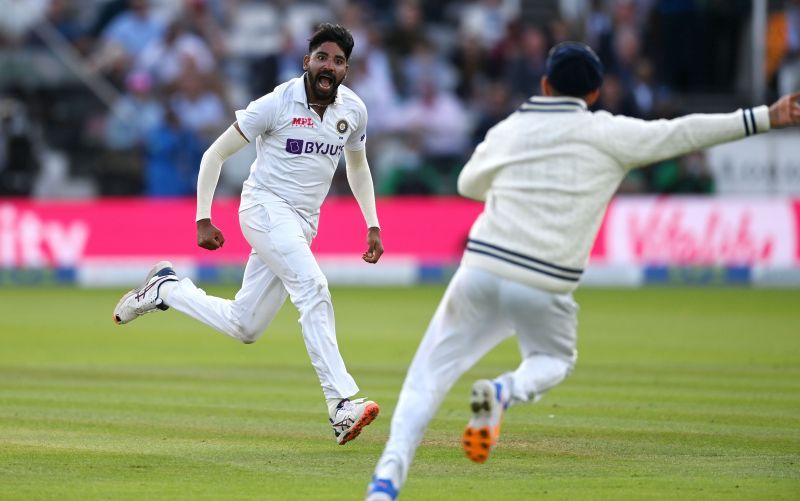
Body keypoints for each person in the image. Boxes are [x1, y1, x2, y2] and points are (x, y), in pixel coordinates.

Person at [365, 41, 800, 500]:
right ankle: (504, 389)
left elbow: (467, 183)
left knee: (426, 378)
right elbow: (681, 132)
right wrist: (764, 117)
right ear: (594, 95)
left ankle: (385, 483)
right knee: (553, 360)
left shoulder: (512, 128)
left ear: (545, 85)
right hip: (545, 281)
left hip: (482, 265)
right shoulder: (608, 133)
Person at [113, 24, 384, 446]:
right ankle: (341, 404)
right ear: (307, 61)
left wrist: (372, 223)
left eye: (339, 60)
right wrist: (203, 218)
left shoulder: (354, 111)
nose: (330, 66)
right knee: (313, 287)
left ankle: (166, 290)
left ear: (347, 68)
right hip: (263, 209)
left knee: (246, 326)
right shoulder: (276, 103)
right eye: (323, 57)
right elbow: (214, 153)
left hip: (303, 223)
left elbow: (358, 167)